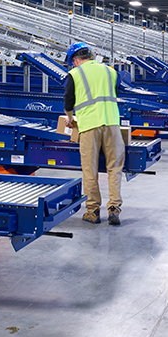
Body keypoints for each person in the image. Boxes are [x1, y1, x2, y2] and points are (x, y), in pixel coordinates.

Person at [63, 42, 124, 225]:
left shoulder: (75, 74)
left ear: (75, 60)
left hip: (89, 125)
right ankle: (114, 208)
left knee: (90, 170)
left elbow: (68, 100)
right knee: (115, 168)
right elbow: (116, 92)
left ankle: (93, 211)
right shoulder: (110, 71)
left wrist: (69, 117)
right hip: (112, 123)